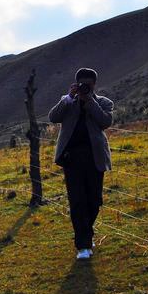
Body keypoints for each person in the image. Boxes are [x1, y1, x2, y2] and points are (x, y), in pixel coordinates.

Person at [47, 68, 114, 260]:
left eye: (88, 84)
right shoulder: (67, 101)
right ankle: (83, 245)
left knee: (94, 200)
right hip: (72, 158)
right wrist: (69, 97)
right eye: (81, 84)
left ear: (94, 85)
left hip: (95, 157)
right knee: (77, 201)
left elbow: (105, 122)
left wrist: (90, 102)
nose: (85, 87)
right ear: (76, 83)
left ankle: (86, 234)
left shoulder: (103, 102)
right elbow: (53, 117)